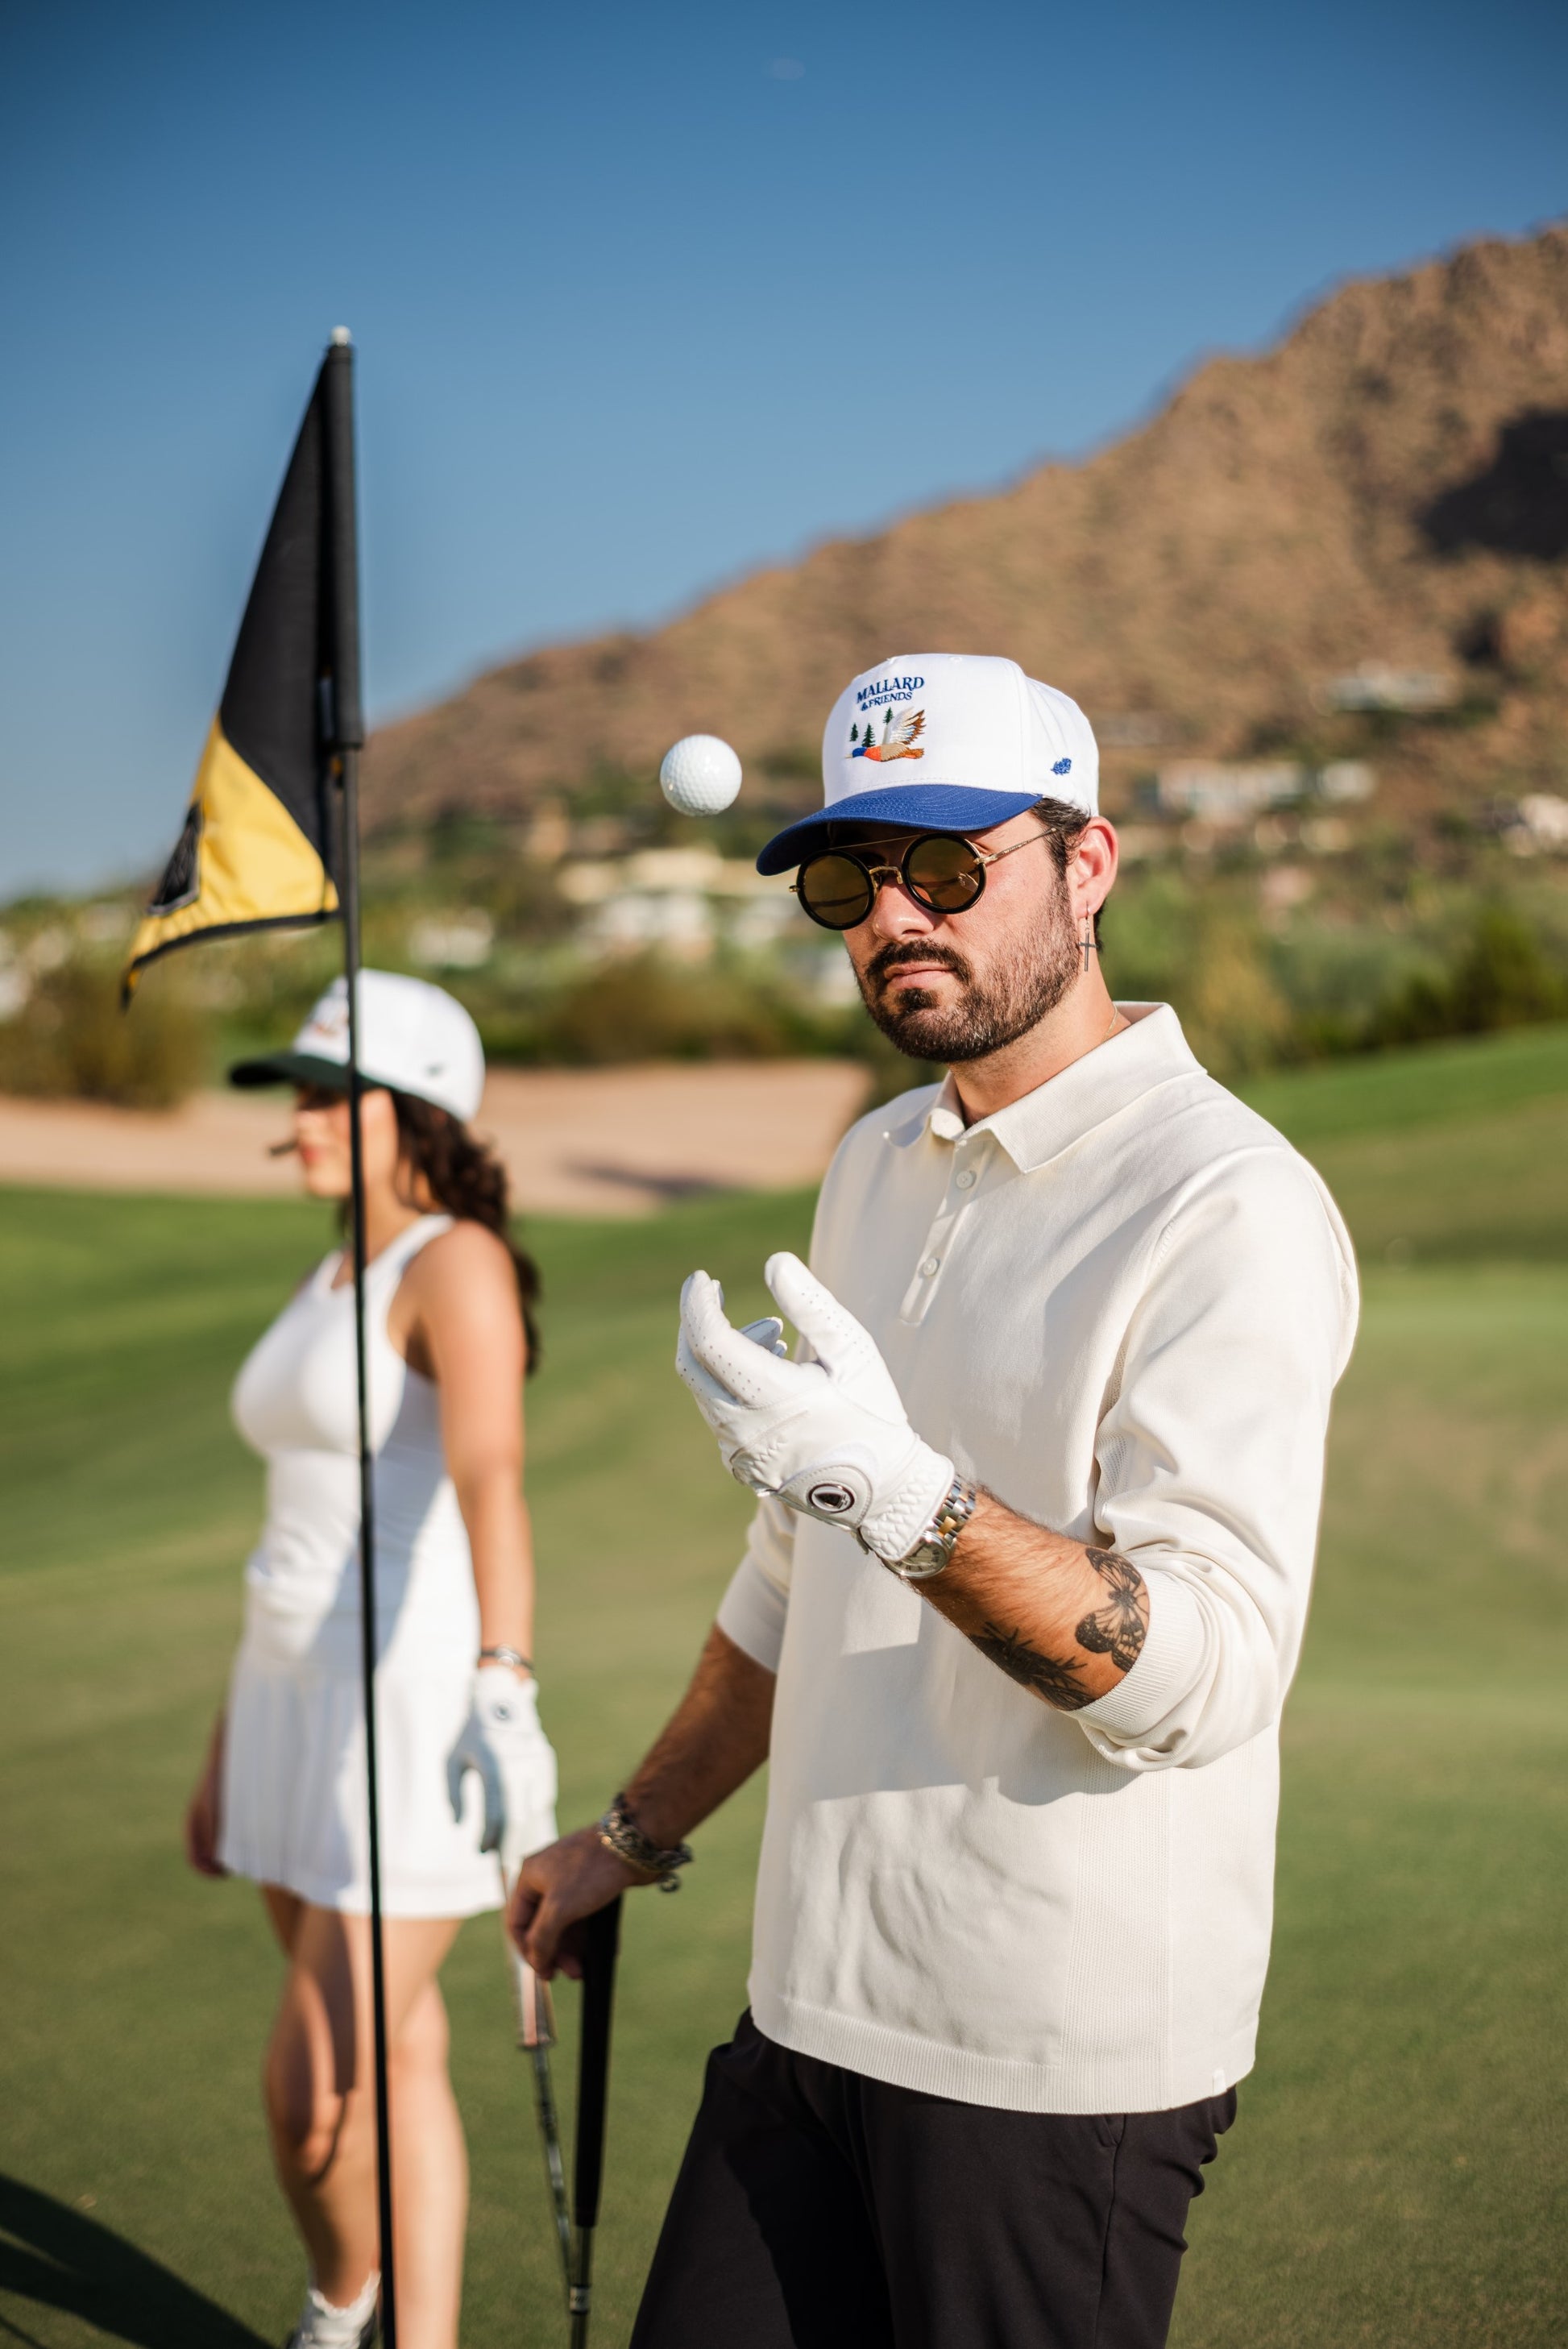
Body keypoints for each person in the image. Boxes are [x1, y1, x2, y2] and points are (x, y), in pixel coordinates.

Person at [512, 654, 1359, 2349]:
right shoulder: (875, 1161)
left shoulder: (1228, 1203)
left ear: (1088, 864)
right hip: (810, 2012)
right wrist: (631, 1834)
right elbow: (788, 1570)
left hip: (1051, 2062)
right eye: (851, 878)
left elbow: (1200, 1678)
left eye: (948, 866)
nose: (895, 914)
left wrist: (906, 1497)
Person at [184, 970, 558, 2349]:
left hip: (396, 1720)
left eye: (327, 1095)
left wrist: (505, 1679)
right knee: (394, 2056)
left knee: (314, 2094)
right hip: (284, 1704)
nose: (298, 1122)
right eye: (297, 1097)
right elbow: (293, 1527)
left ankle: (342, 2313)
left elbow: (494, 1478)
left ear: (416, 1107)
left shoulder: (451, 1259)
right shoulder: (331, 1263)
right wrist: (231, 1752)